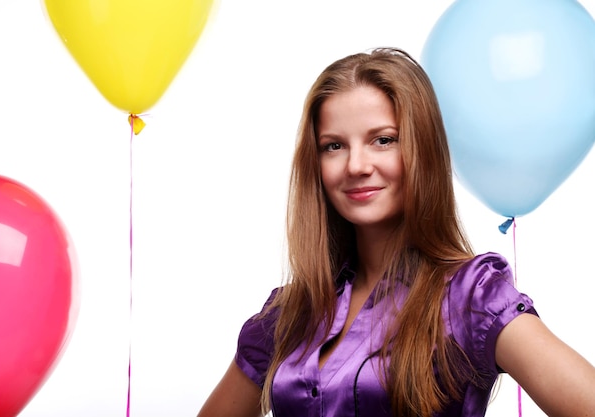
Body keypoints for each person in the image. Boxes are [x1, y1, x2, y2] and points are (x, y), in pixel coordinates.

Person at [197, 47, 595, 417]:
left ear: (421, 150)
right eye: (333, 146)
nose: (356, 165)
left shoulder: (470, 297)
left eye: (383, 140)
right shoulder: (290, 312)